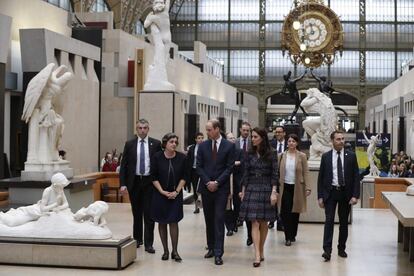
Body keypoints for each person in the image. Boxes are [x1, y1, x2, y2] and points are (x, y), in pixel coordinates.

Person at [119, 119, 162, 253]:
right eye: (140, 128)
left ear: (148, 129)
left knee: (149, 214)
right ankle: (138, 239)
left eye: (145, 128)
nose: (142, 130)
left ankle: (149, 243)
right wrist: (123, 184)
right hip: (135, 182)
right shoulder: (129, 144)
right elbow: (124, 166)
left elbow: (159, 165)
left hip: (150, 182)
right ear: (136, 129)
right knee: (136, 213)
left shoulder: (155, 144)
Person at [197, 119, 235, 266]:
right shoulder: (203, 146)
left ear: (217, 129)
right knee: (209, 219)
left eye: (209, 130)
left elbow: (229, 167)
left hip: (221, 189)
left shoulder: (228, 146)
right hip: (206, 188)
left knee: (219, 219)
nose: (207, 132)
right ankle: (211, 247)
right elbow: (199, 167)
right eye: (206, 130)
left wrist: (217, 182)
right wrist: (208, 182)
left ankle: (219, 253)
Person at [239, 127, 278, 267]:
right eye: (252, 137)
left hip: (266, 188)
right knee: (254, 221)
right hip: (252, 188)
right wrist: (243, 190)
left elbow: (275, 174)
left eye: (255, 136)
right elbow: (246, 173)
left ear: (262, 137)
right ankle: (256, 254)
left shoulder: (272, 153)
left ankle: (261, 250)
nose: (252, 139)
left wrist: (274, 191)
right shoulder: (249, 153)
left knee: (263, 222)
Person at [318, 130, 360, 262]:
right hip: (330, 193)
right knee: (329, 221)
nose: (341, 141)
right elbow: (321, 178)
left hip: (345, 194)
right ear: (332, 141)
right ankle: (327, 250)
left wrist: (355, 195)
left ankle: (341, 248)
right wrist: (320, 196)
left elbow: (356, 177)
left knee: (343, 222)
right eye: (338, 139)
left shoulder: (351, 156)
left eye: (343, 139)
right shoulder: (326, 157)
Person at [151, 133, 188, 262]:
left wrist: (177, 191)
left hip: (175, 195)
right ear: (165, 143)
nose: (174, 144)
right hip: (160, 195)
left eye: (175, 142)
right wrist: (162, 191)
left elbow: (185, 176)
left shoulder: (182, 158)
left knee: (173, 221)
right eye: (171, 142)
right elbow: (153, 176)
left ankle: (175, 251)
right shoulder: (157, 157)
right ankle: (165, 251)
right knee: (161, 222)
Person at [277, 134, 311, 246]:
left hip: (297, 187)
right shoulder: (281, 156)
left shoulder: (302, 156)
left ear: (297, 143)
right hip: (285, 186)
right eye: (289, 141)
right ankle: (287, 236)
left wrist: (308, 187)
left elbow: (306, 172)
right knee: (285, 212)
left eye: (293, 141)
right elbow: (277, 172)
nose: (291, 143)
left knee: (295, 212)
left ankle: (293, 234)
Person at [235, 122, 253, 244]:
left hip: (250, 176)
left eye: (248, 130)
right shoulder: (234, 143)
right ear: (240, 130)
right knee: (237, 201)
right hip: (237, 175)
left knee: (248, 204)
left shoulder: (253, 143)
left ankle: (249, 233)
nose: (246, 132)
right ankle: (237, 220)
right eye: (244, 130)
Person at [269, 125, 287, 231]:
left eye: (280, 132)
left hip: (285, 175)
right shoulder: (271, 144)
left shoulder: (289, 144)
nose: (278, 134)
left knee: (282, 199)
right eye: (276, 132)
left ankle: (281, 221)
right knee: (274, 197)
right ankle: (272, 220)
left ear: (284, 133)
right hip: (273, 174)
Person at [186, 132, 204, 214]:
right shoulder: (192, 148)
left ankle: (203, 205)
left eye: (202, 138)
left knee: (201, 189)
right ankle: (196, 207)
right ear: (196, 139)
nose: (200, 139)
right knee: (195, 188)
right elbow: (189, 159)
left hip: (203, 171)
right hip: (194, 170)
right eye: (199, 138)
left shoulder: (205, 147)